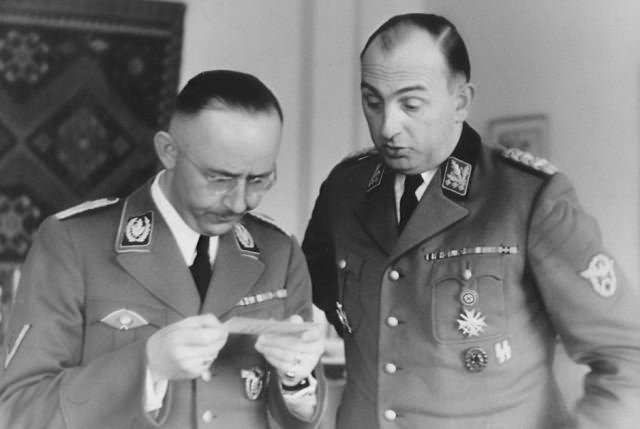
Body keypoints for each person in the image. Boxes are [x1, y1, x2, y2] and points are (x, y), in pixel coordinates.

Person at [302, 13, 640, 429]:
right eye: (373, 102)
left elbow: (627, 355)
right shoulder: (345, 189)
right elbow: (314, 296)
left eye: (410, 104)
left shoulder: (527, 198)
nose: (388, 127)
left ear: (460, 101)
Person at [0, 70, 326, 428]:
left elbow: (300, 420)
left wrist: (297, 379)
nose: (239, 202)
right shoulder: (74, 244)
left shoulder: (279, 253)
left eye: (260, 180)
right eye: (219, 178)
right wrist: (148, 366)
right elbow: (20, 412)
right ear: (169, 151)